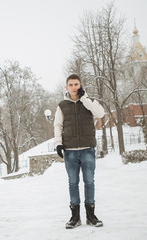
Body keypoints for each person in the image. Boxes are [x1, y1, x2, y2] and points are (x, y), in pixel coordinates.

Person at [54, 74, 105, 229]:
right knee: (73, 183)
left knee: (89, 182)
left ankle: (91, 216)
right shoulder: (62, 105)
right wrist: (58, 143)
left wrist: (85, 100)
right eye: (71, 84)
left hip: (87, 149)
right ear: (66, 87)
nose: (74, 87)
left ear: (80, 85)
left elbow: (100, 114)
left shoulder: (89, 102)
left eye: (76, 84)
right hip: (70, 151)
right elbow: (58, 125)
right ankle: (75, 217)